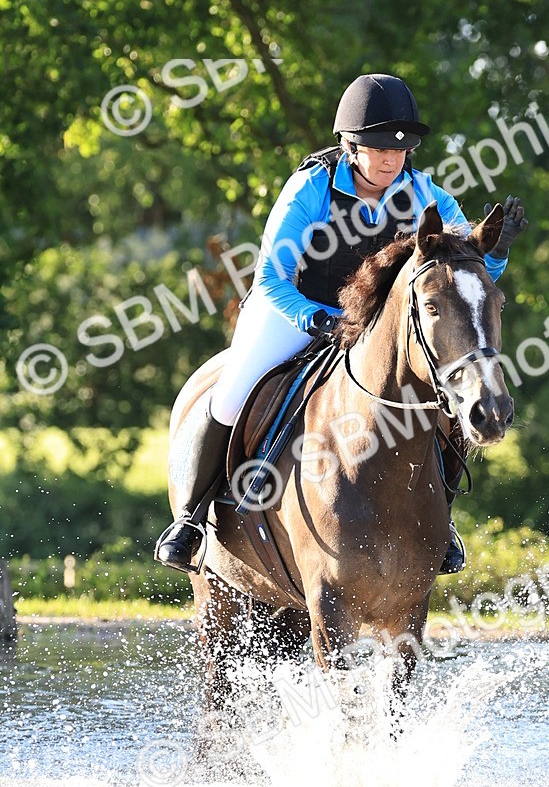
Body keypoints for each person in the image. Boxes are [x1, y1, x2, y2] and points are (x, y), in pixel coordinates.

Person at [155, 73, 527, 574]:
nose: (391, 159)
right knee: (232, 391)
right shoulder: (310, 188)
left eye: (400, 150)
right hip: (296, 307)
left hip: (376, 323)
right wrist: (316, 318)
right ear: (350, 145)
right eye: (377, 149)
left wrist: (496, 252)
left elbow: (464, 272)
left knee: (444, 389)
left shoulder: (424, 194)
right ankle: (191, 518)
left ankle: (441, 518)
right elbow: (269, 276)